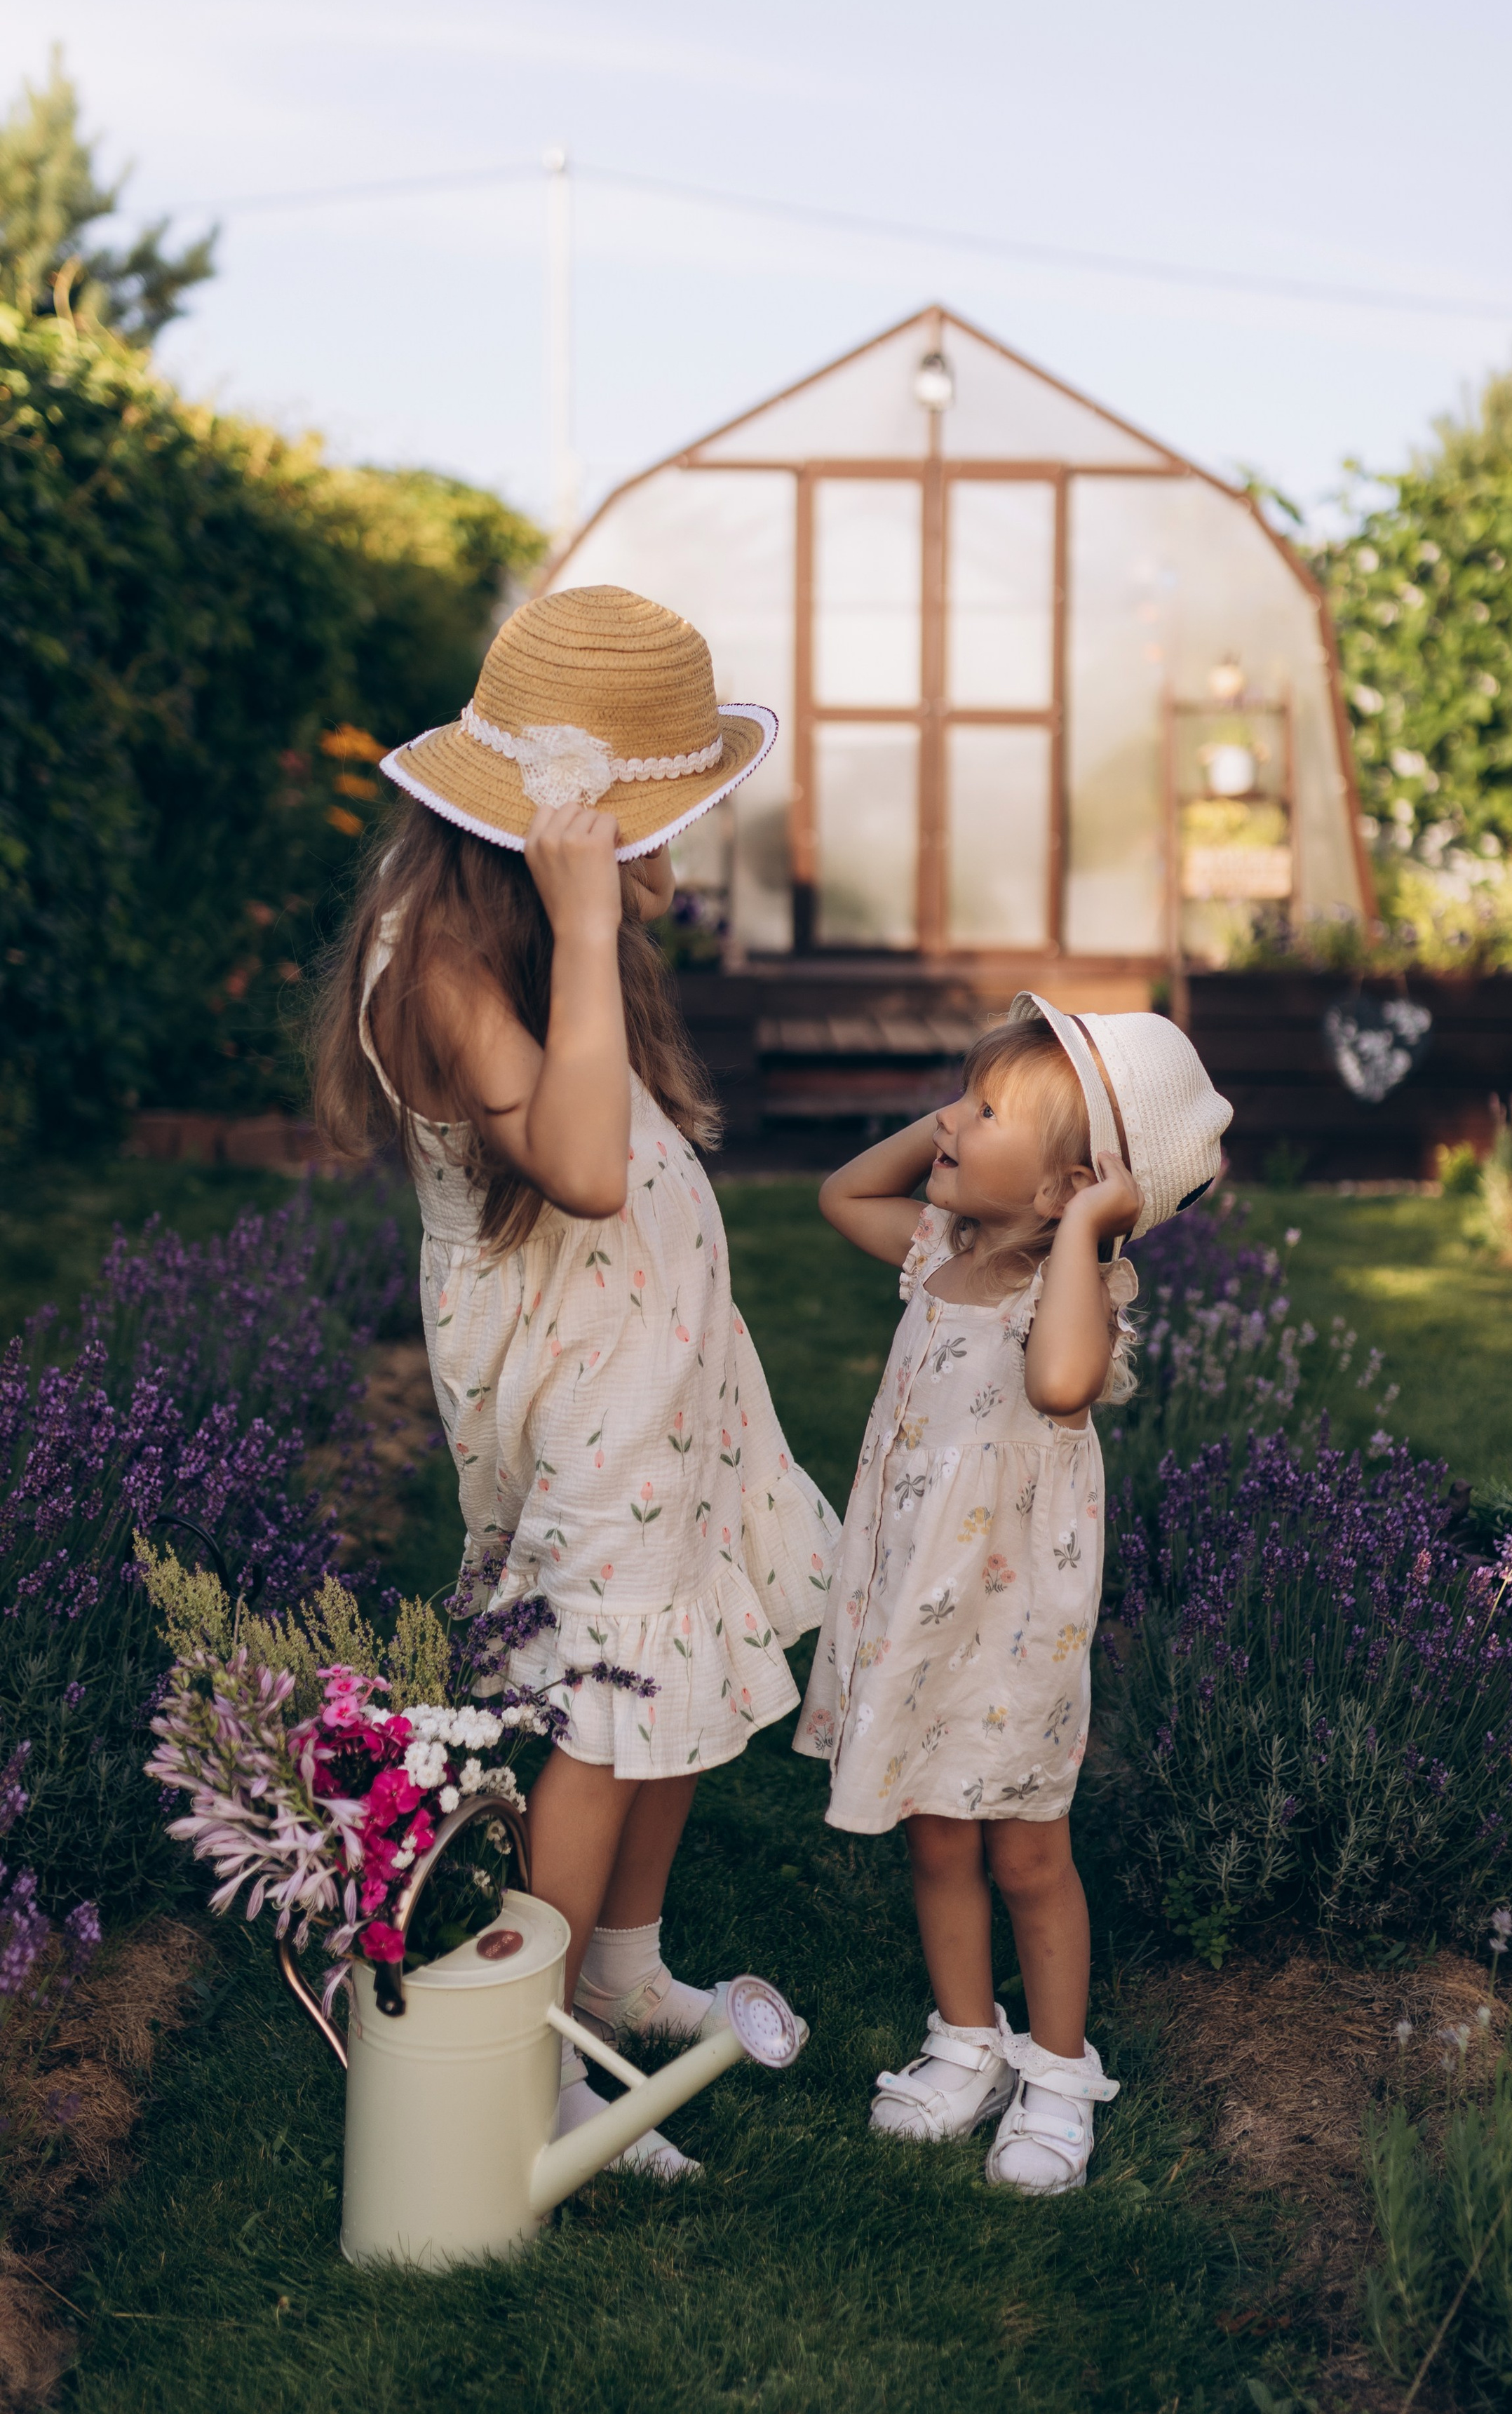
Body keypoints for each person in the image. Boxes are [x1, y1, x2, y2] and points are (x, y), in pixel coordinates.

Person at [313, 584, 838, 2177]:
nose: (665, 862)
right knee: (603, 1706)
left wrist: (591, 916)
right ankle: (533, 2057)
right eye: (646, 831)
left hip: (665, 1370)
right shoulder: (440, 966)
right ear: (550, 834)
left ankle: (620, 1963)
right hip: (581, 1383)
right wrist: (593, 920)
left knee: (673, 1661)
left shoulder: (529, 928)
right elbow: (589, 1167)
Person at [796, 996, 1229, 2193]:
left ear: (1063, 1190)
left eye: (985, 1112)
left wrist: (1089, 1227)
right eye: (964, 1096)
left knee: (1028, 1851)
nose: (953, 1116)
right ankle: (967, 2036)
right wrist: (950, 1125)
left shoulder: (1064, 1295)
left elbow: (1057, 1384)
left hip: (1012, 1632)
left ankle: (1054, 2066)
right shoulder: (940, 1253)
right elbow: (842, 1194)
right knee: (936, 1834)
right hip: (915, 1606)